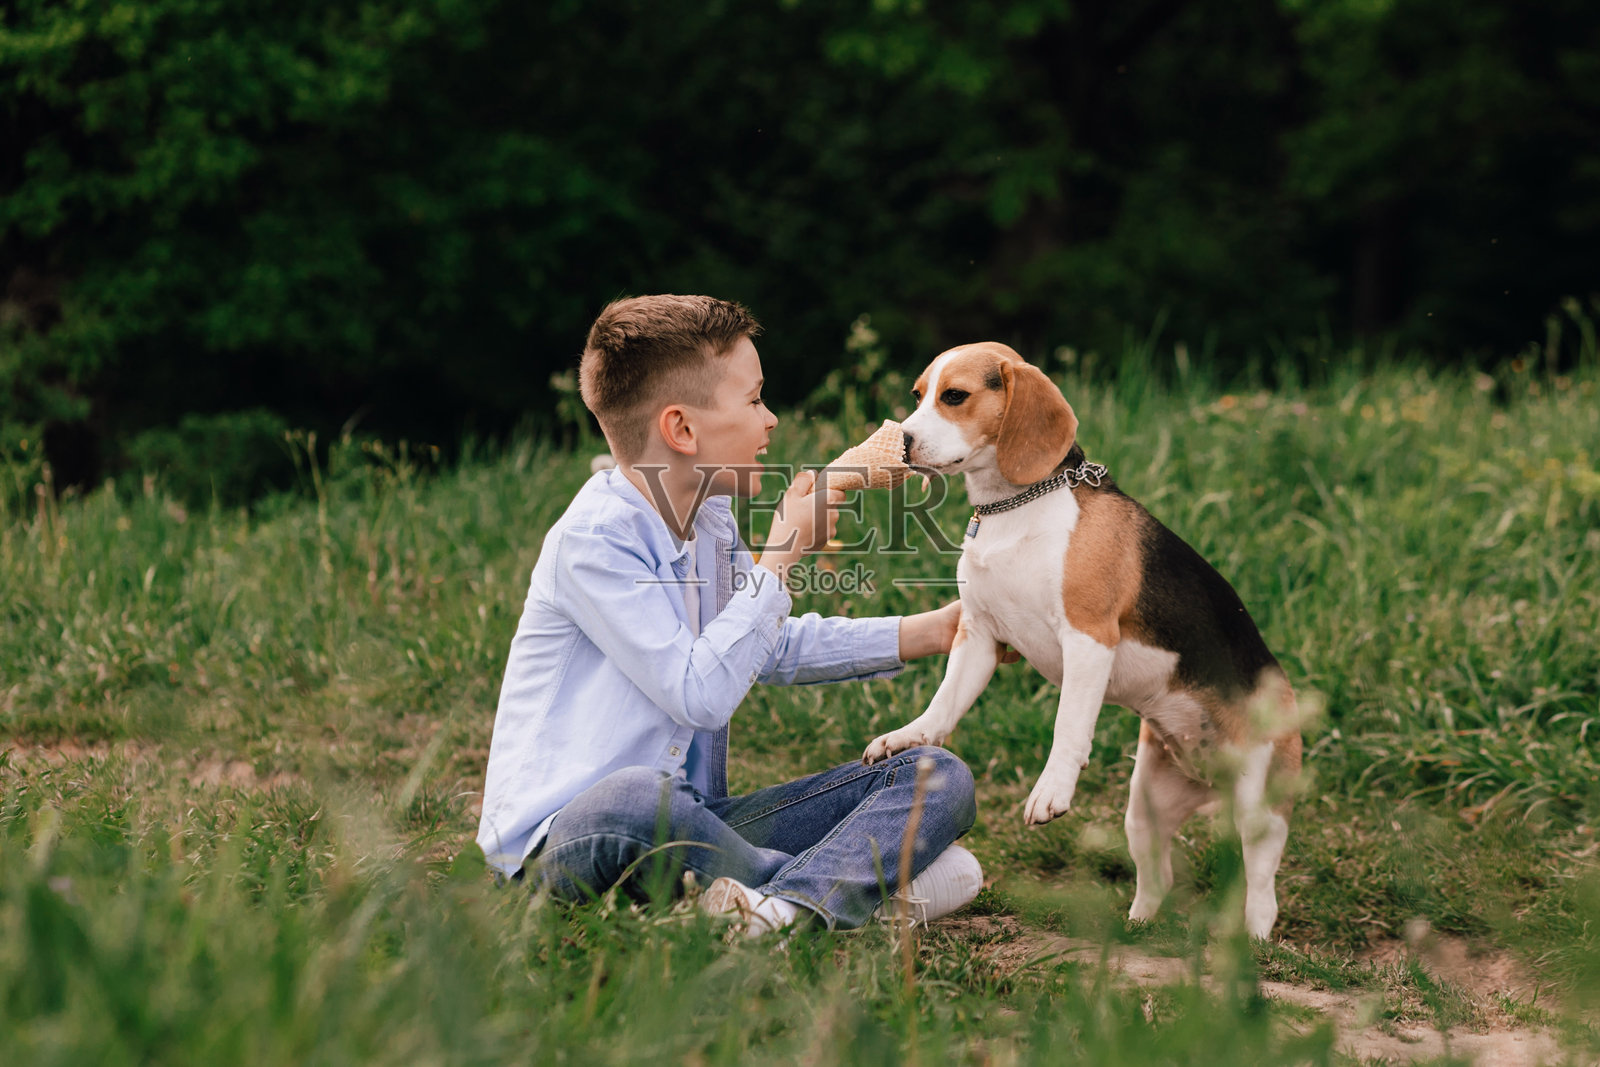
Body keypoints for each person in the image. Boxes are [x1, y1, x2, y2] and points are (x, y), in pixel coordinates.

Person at [476, 294, 982, 935]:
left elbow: (765, 646)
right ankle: (823, 892)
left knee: (934, 774)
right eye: (754, 400)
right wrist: (781, 555)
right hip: (568, 843)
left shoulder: (708, 520)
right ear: (682, 430)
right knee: (636, 798)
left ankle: (773, 908)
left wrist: (931, 631)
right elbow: (701, 693)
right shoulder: (595, 541)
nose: (771, 420)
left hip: (695, 823)